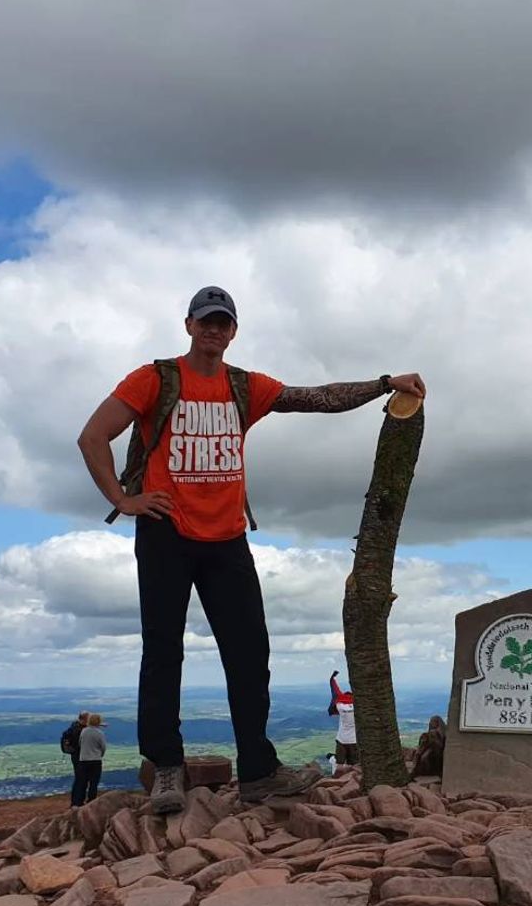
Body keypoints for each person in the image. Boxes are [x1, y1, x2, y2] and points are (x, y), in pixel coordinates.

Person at [78, 284, 425, 814]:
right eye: (206, 320)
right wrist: (122, 499)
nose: (215, 330)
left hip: (228, 537)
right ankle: (167, 771)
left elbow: (317, 398)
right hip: (165, 532)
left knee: (249, 655)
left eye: (224, 322)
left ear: (233, 331)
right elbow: (92, 436)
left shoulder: (245, 387)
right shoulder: (155, 379)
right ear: (189, 325)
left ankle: (259, 772)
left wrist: (384, 385)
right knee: (163, 650)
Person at [72, 712, 106, 806]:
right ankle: (91, 802)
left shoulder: (84, 731)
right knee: (93, 783)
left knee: (82, 782)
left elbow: (80, 743)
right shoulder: (99, 733)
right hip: (95, 760)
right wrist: (100, 755)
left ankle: (78, 802)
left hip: (83, 760)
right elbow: (103, 747)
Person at [329, 670, 358, 766]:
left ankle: (338, 778)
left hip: (341, 740)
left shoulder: (340, 705)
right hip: (354, 741)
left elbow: (335, 690)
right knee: (353, 765)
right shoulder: (358, 706)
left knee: (339, 764)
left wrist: (332, 678)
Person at [62, 710, 89, 807]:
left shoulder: (73, 728)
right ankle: (77, 802)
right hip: (80, 757)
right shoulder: (80, 730)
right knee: (81, 779)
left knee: (79, 779)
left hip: (75, 756)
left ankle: (76, 801)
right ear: (84, 719)